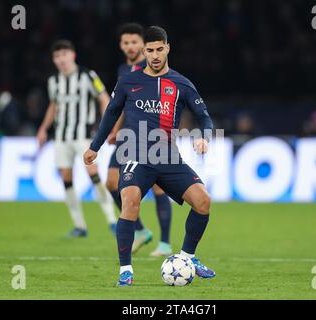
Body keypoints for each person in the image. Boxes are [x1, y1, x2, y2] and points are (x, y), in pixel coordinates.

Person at [84, 26, 216, 286]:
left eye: (159, 49)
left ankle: (188, 257)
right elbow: (111, 114)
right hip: (135, 153)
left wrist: (204, 137)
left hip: (167, 156)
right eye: (150, 50)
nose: (154, 55)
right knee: (130, 200)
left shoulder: (181, 83)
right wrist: (95, 147)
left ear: (167, 48)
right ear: (144, 51)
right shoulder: (128, 82)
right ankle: (125, 271)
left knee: (203, 202)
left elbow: (204, 117)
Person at [106, 23, 173, 257]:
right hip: (126, 136)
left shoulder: (152, 67)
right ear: (121, 46)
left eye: (135, 42)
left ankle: (165, 243)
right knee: (112, 183)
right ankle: (141, 230)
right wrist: (114, 129)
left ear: (144, 46)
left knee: (157, 187)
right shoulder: (123, 70)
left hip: (150, 135)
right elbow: (121, 104)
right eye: (126, 43)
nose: (130, 46)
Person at [38, 40, 116, 238]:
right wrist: (43, 128)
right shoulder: (53, 81)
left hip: (83, 136)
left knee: (93, 174)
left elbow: (104, 98)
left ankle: (112, 220)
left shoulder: (88, 76)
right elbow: (53, 106)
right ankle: (79, 225)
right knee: (66, 179)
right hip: (61, 137)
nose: (61, 59)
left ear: (73, 55)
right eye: (57, 56)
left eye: (64, 54)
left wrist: (107, 125)